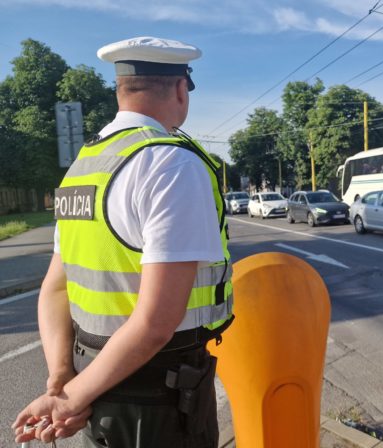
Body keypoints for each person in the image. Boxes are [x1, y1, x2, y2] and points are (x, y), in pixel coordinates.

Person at [13, 36, 234, 448]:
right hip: (161, 398)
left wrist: (64, 380)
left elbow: (55, 287)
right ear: (181, 89)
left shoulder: (81, 169)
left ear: (121, 91)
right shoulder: (171, 164)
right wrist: (70, 398)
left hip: (92, 381)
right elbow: (156, 324)